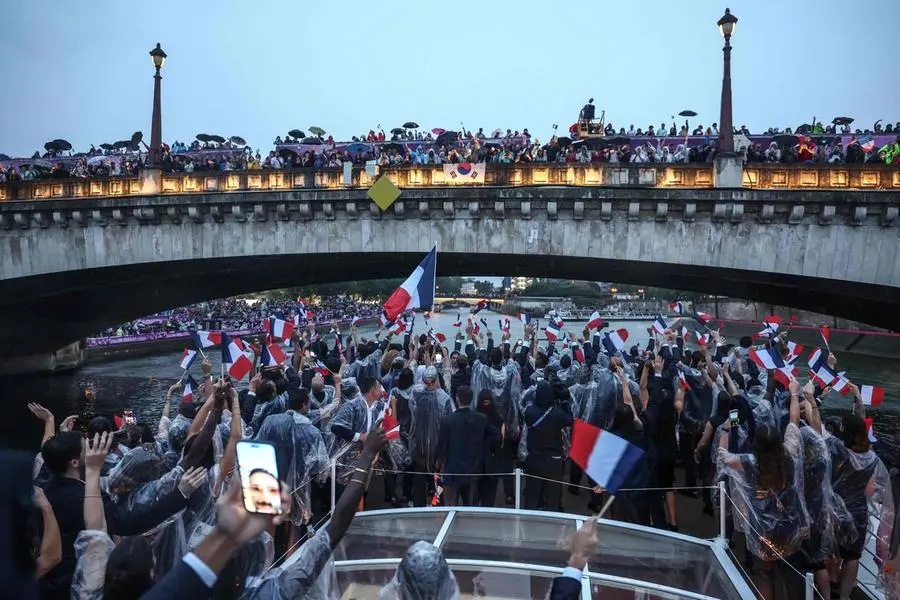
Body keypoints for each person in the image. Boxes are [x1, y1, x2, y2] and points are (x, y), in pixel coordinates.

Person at [37, 431, 195, 600]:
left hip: (44, 584)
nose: (93, 451)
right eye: (87, 449)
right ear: (74, 462)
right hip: (80, 583)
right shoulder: (88, 498)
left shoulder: (38, 491)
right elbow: (131, 522)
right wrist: (179, 495)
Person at [718, 378, 810, 600]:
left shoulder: (750, 462)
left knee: (764, 574)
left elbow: (722, 455)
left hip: (762, 528)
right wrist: (795, 394)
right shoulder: (790, 453)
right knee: (790, 572)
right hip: (789, 524)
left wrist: (727, 425)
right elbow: (794, 422)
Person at [436, 385, 496, 506]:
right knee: (471, 510)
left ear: (457, 399)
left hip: (452, 472)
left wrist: (438, 466)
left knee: (450, 508)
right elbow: (495, 434)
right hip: (473, 471)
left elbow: (442, 448)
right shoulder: (481, 419)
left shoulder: (447, 421)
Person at [523, 378, 573, 512]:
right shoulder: (557, 415)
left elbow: (524, 402)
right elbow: (570, 420)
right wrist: (565, 402)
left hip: (534, 459)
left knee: (532, 495)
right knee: (553, 497)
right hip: (554, 461)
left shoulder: (530, 412)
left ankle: (528, 522)